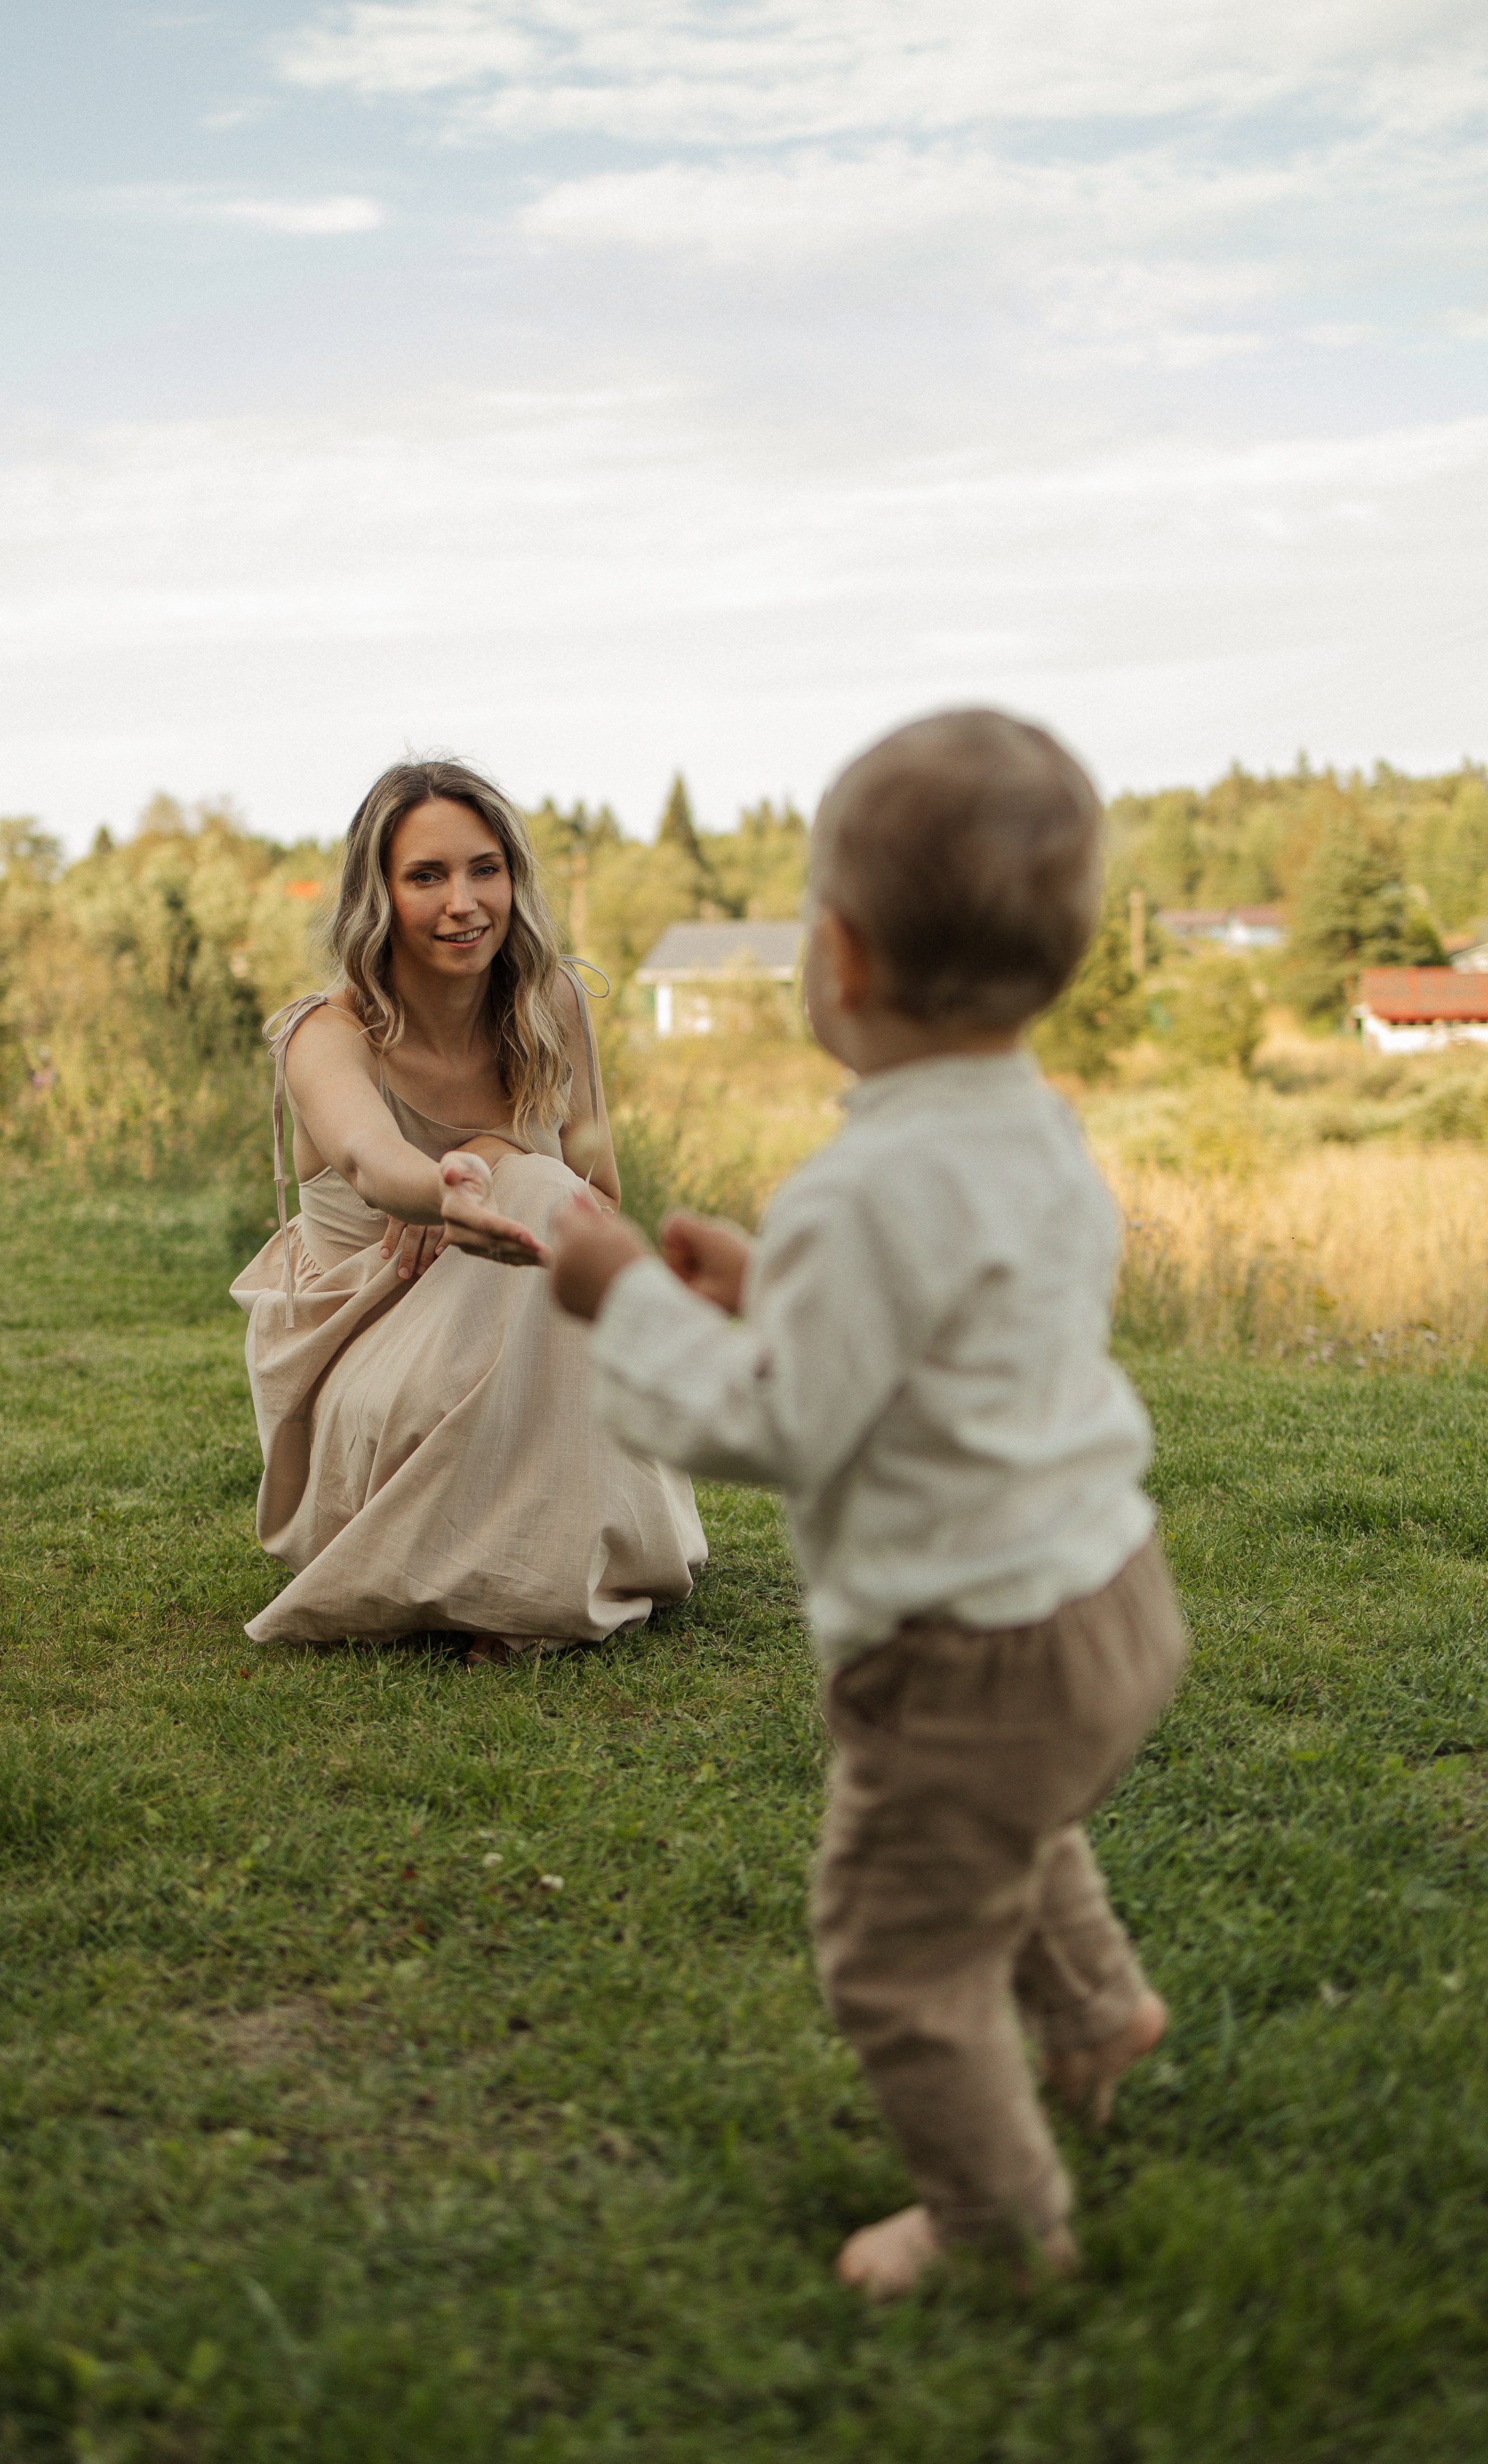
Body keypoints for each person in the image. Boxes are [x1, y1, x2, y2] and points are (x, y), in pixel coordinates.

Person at [549, 708, 1187, 2296]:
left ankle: (996, 2230)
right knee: (1008, 1818)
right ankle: (1096, 2009)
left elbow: (781, 1425)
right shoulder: (1036, 1127)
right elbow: (955, 1329)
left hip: (967, 1645)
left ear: (836, 955)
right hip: (1106, 1596)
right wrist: (778, 1287)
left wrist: (627, 1297)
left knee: (899, 1948)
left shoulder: (864, 1184)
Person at [231, 756, 705, 1661]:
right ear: (377, 895)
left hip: (518, 1344)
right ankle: (519, 1576)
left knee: (552, 1196)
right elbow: (369, 1160)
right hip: (366, 1371)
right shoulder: (327, 1035)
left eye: (485, 869)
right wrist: (441, 1192)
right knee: (543, 1193)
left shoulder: (552, 1003)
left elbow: (600, 1193)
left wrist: (491, 1158)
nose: (464, 903)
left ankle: (520, 1581)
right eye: (426, 876)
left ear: (515, 877)